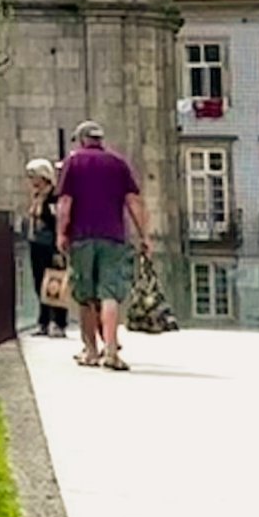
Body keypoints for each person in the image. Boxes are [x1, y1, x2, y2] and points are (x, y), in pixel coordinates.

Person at [53, 120, 147, 372]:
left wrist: (61, 233)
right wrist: (144, 236)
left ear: (82, 139)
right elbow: (134, 201)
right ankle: (112, 351)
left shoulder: (74, 162)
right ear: (100, 140)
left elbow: (64, 203)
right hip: (114, 237)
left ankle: (91, 352)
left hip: (82, 237)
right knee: (109, 294)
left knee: (85, 296)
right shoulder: (118, 163)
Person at [21, 158, 70, 337]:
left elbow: (56, 221)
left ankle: (59, 322)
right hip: (37, 243)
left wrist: (59, 248)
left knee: (55, 282)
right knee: (39, 282)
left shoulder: (54, 197)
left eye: (34, 176)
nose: (32, 181)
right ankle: (43, 321)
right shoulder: (36, 196)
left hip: (51, 243)